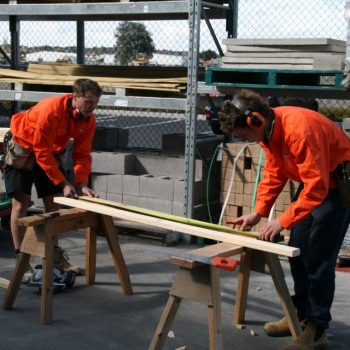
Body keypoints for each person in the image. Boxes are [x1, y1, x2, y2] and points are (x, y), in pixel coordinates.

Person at [218, 89, 350, 350]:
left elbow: (318, 188)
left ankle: (317, 328)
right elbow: (275, 172)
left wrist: (282, 221)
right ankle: (299, 315)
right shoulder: (269, 132)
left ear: (256, 120)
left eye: (245, 136)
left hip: (337, 185)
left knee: (319, 260)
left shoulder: (300, 132)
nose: (248, 140)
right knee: (298, 250)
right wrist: (258, 211)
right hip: (317, 182)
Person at [3, 78, 102, 278]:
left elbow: (82, 154)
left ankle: (53, 259)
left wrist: (81, 182)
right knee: (20, 205)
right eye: (88, 102)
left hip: (50, 151)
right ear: (75, 98)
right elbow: (41, 152)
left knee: (53, 204)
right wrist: (64, 182)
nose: (92, 107)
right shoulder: (52, 110)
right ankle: (22, 262)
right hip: (24, 147)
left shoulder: (88, 120)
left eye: (96, 103)